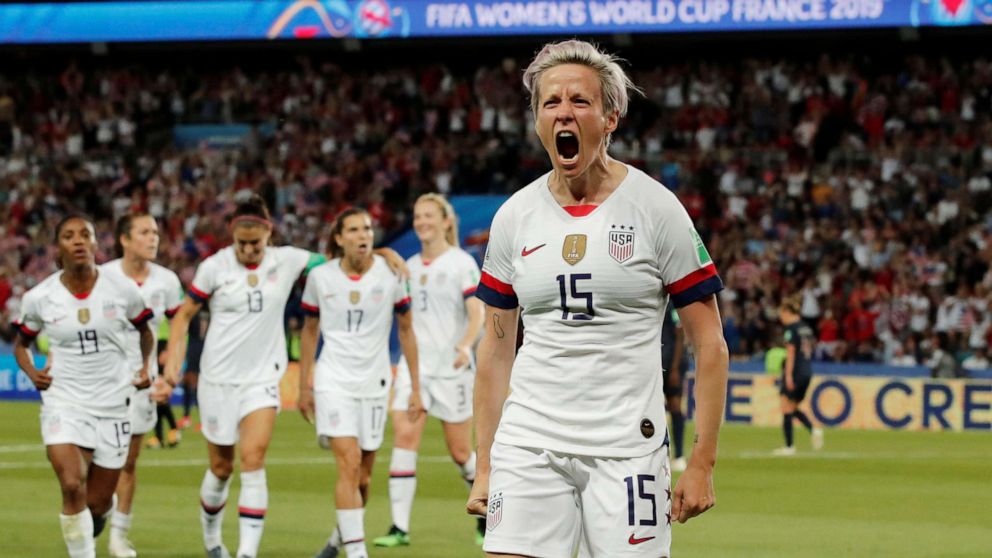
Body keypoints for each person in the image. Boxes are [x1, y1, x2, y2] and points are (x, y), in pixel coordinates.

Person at [466, 40, 729, 558]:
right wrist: (486, 464)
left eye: (580, 101)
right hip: (529, 442)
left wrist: (701, 463)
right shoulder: (514, 217)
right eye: (551, 102)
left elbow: (710, 344)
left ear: (610, 117)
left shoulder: (657, 209)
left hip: (627, 448)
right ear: (539, 121)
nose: (564, 111)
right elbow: (495, 352)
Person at [157, 195, 406, 558]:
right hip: (217, 380)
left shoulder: (288, 260)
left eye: (255, 243)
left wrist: (382, 252)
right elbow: (182, 315)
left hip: (262, 380)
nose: (247, 250)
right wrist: (171, 366)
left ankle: (246, 552)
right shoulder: (214, 267)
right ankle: (212, 539)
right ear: (232, 235)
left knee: (253, 459)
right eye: (240, 243)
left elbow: (344, 259)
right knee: (222, 467)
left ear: (268, 233)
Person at [13, 215, 154, 558]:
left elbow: (145, 332)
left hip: (113, 403)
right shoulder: (39, 297)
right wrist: (32, 371)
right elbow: (21, 344)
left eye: (85, 235)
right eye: (68, 236)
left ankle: (100, 515)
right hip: (64, 401)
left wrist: (144, 367)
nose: (77, 241)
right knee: (72, 483)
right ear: (58, 247)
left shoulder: (122, 290)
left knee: (96, 504)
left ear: (95, 244)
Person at [298, 207, 424, 558]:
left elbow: (407, 329)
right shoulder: (320, 278)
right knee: (349, 463)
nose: (363, 235)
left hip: (375, 381)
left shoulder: (391, 272)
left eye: (367, 229)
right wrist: (303, 385)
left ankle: (338, 540)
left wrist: (415, 386)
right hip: (333, 379)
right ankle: (357, 552)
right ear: (339, 239)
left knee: (364, 479)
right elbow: (309, 332)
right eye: (353, 230)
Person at [372, 194, 486, 549]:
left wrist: (466, 345)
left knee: (459, 452)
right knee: (405, 440)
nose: (421, 222)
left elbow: (477, 311)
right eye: (417, 216)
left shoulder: (461, 263)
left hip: (452, 368)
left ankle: (486, 508)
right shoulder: (408, 265)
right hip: (414, 369)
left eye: (428, 216)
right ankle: (398, 528)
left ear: (445, 221)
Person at [101, 213, 183, 557]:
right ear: (124, 239)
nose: (153, 239)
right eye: (144, 232)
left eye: (156, 232)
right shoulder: (102, 277)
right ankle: (95, 511)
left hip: (142, 382)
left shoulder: (166, 281)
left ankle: (118, 536)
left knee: (129, 461)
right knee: (95, 461)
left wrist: (169, 376)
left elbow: (180, 325)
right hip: (101, 382)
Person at [774, 294, 824, 456]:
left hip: (796, 371)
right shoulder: (806, 328)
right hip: (807, 370)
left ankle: (789, 447)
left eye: (781, 314)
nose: (781, 318)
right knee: (792, 407)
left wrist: (787, 376)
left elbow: (791, 353)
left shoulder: (791, 329)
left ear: (788, 312)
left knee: (785, 405)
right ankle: (814, 430)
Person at [662, 301, 689, 473]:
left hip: (672, 363)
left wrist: (674, 368)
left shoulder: (672, 304)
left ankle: (679, 455)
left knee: (675, 407)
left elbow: (680, 333)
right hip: (655, 362)